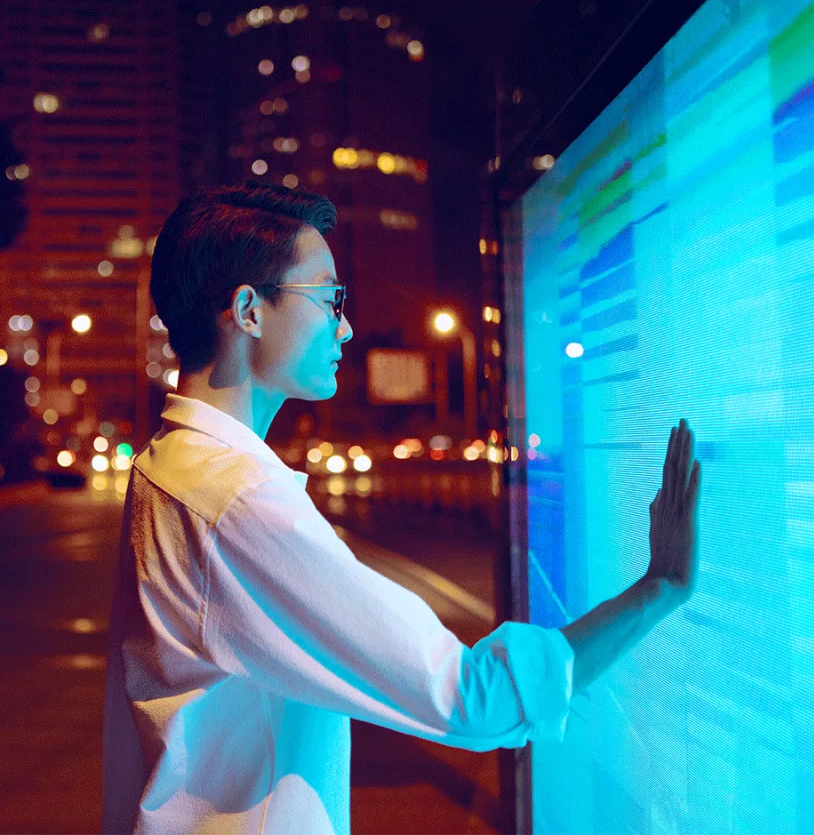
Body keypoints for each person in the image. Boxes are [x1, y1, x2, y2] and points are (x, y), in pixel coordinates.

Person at [102, 181, 701, 834]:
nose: (346, 325)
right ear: (249, 310)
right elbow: (477, 700)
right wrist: (658, 588)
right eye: (330, 299)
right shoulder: (237, 500)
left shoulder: (167, 467)